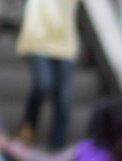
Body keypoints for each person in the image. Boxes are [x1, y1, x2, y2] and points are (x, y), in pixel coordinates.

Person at [15, 0, 81, 149]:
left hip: (65, 44)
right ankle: (28, 127)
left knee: (63, 98)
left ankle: (57, 147)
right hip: (37, 40)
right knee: (43, 84)